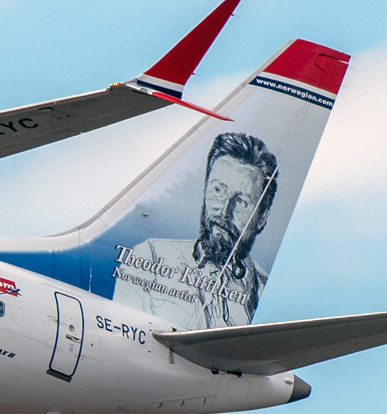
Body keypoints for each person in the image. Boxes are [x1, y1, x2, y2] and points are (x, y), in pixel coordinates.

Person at [111, 132, 278, 329]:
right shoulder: (151, 255)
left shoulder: (265, 294)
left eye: (241, 202)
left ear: (262, 219)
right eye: (218, 191)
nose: (224, 212)